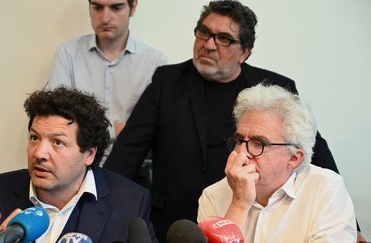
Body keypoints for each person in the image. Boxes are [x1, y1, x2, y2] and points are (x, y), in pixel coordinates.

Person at [103, 0, 359, 241]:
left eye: (224, 39)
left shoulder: (274, 89)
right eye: (204, 32)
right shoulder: (167, 81)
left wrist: (351, 225)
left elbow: (315, 150)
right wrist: (100, 205)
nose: (209, 44)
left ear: (244, 52)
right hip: (175, 225)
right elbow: (128, 151)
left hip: (248, 215)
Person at [0, 87, 157, 243]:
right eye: (34, 138)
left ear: (89, 154)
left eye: (57, 142)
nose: (39, 153)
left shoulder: (130, 203)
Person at [197, 84, 357, 242]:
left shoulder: (325, 188)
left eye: (258, 143)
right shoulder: (213, 196)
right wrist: (239, 205)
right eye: (239, 140)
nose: (241, 153)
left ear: (294, 158)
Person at [47, 0, 167, 165]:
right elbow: (56, 120)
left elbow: (156, 130)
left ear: (133, 8)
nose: (105, 18)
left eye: (116, 8)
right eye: (97, 7)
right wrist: (117, 130)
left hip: (134, 168)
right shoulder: (67, 55)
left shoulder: (155, 62)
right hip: (76, 165)